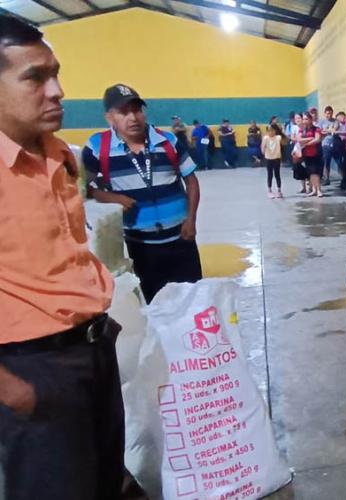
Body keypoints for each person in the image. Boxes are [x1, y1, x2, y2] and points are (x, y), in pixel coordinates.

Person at [0, 15, 124, 499]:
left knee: (102, 484)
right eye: (35, 77)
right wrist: (13, 390)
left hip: (93, 350)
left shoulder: (60, 154)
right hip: (33, 370)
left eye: (56, 73)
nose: (57, 91)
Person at [83, 84, 203, 304]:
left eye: (137, 109)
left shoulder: (168, 141)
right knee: (156, 305)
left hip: (182, 238)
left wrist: (191, 220)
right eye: (123, 112)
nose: (133, 117)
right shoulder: (97, 147)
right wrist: (109, 197)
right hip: (141, 245)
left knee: (193, 303)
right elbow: (81, 188)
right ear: (109, 117)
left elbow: (191, 181)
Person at [298, 111, 323, 197]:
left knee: (316, 172)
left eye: (306, 119)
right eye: (303, 119)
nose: (304, 121)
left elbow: (318, 139)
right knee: (311, 172)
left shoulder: (316, 129)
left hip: (316, 153)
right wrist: (310, 138)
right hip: (306, 154)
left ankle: (318, 190)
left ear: (311, 119)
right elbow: (299, 139)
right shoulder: (302, 130)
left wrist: (307, 143)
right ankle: (314, 190)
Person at [318, 105, 340, 185]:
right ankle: (327, 179)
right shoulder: (321, 122)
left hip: (335, 144)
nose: (329, 115)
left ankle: (344, 178)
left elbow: (335, 129)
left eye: (330, 113)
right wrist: (329, 131)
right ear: (325, 114)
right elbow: (320, 131)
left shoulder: (336, 121)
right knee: (326, 163)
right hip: (325, 145)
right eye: (327, 113)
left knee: (339, 163)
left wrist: (326, 131)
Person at [261, 123, 283, 198]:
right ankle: (269, 190)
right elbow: (263, 147)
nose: (271, 132)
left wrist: (279, 128)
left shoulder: (278, 137)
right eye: (269, 130)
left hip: (277, 158)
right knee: (269, 174)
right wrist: (264, 153)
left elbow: (283, 136)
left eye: (273, 130)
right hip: (268, 158)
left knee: (277, 174)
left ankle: (279, 190)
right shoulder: (265, 138)